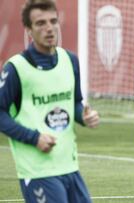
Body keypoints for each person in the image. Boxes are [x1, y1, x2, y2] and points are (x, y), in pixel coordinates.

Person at [0, 0, 100, 202]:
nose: (49, 28)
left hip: (69, 166)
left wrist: (84, 115)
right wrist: (34, 137)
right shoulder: (16, 68)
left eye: (53, 21)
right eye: (40, 23)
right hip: (38, 171)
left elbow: (75, 103)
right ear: (29, 30)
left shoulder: (70, 60)